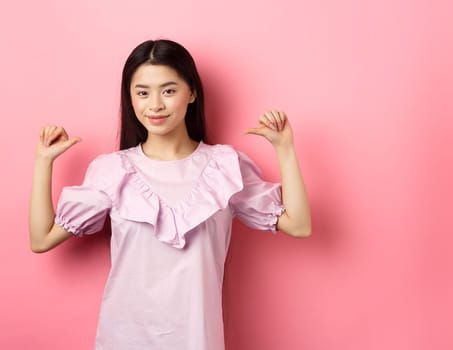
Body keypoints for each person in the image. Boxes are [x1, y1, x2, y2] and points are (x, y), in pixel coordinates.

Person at [28, 39, 312, 349]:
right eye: (142, 93)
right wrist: (44, 162)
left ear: (191, 92)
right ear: (131, 99)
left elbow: (298, 225)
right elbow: (41, 239)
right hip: (125, 338)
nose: (155, 105)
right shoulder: (112, 171)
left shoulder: (225, 167)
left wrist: (285, 150)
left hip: (197, 337)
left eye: (168, 90)